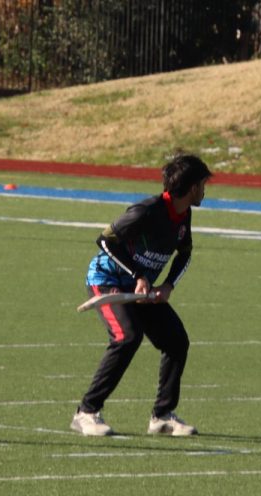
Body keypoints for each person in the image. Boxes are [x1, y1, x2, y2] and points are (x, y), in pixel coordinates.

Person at [70, 154, 212, 436]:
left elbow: (184, 253)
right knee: (127, 336)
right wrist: (139, 275)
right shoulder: (145, 211)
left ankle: (162, 416)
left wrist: (168, 285)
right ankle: (86, 412)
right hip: (106, 281)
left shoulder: (184, 214)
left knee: (175, 340)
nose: (205, 190)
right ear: (192, 187)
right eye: (203, 184)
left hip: (142, 288)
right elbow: (105, 240)